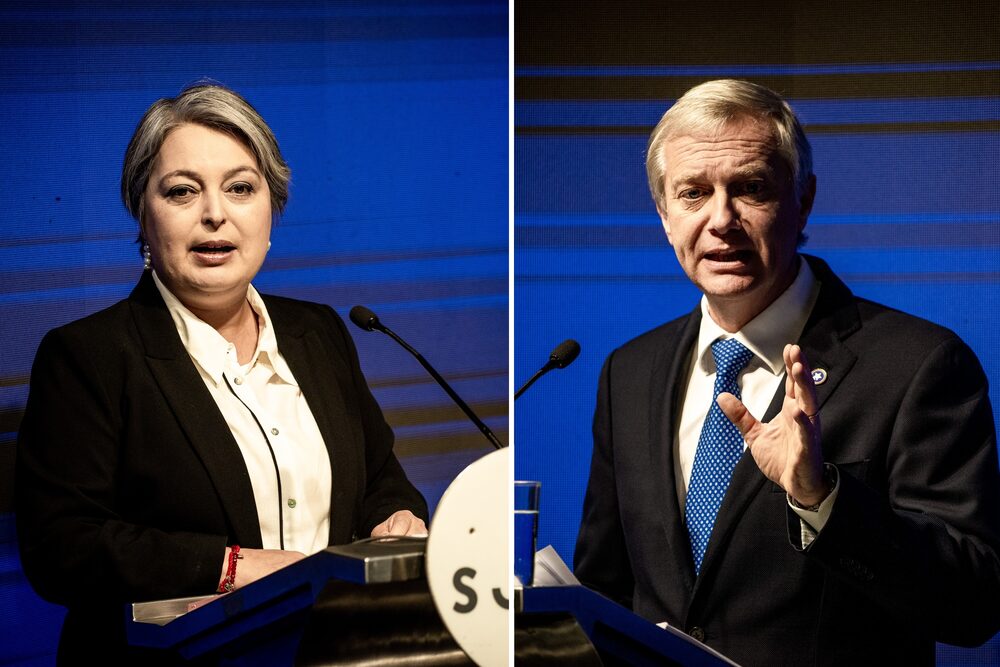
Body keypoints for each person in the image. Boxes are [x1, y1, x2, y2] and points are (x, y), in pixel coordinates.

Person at [574, 79, 1000, 666]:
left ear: (804, 200)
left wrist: (820, 495)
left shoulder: (918, 365)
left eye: (750, 188)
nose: (722, 220)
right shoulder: (629, 372)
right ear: (665, 215)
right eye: (693, 193)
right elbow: (606, 592)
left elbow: (974, 603)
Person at [15, 83, 428, 661]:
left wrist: (397, 521)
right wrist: (235, 567)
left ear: (270, 206)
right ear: (143, 210)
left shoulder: (320, 333)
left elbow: (380, 476)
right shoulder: (90, 356)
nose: (215, 214)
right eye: (183, 191)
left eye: (240, 188)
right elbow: (62, 547)